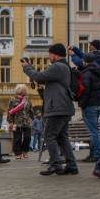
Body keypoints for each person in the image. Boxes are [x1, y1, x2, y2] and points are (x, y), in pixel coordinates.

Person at [22, 44, 79, 176]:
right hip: (64, 106)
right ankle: (71, 165)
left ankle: (55, 164)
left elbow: (39, 77)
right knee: (62, 137)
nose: (49, 57)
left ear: (54, 54)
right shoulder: (64, 66)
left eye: (49, 54)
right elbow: (44, 78)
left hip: (57, 107)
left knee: (49, 136)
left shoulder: (58, 66)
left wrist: (27, 68)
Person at [79, 52, 100, 163]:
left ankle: (97, 154)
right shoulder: (98, 73)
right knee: (95, 130)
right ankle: (93, 153)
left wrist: (82, 104)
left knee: (93, 132)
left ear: (86, 61)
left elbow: (85, 91)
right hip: (98, 104)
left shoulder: (87, 74)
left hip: (89, 105)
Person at [7, 84, 34, 159]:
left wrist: (31, 118)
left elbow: (31, 110)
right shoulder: (13, 100)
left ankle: (25, 151)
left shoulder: (28, 100)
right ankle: (18, 153)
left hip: (27, 122)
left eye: (25, 90)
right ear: (19, 90)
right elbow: (9, 111)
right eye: (23, 90)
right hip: (16, 122)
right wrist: (10, 122)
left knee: (27, 137)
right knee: (17, 138)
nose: (24, 91)